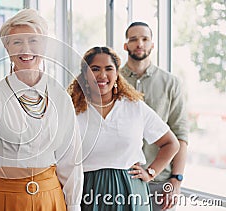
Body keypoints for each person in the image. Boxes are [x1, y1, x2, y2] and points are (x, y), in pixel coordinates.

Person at [0, 9, 83, 211]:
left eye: (33, 40)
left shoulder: (60, 96)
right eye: (17, 42)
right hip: (2, 197)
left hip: (49, 198)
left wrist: (74, 205)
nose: (26, 49)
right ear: (7, 48)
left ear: (45, 45)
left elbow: (71, 158)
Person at [68, 46, 180, 211]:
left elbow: (171, 143)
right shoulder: (72, 110)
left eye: (109, 69)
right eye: (95, 69)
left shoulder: (135, 107)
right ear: (85, 74)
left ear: (117, 74)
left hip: (130, 190)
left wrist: (150, 173)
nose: (102, 75)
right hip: (86, 191)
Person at [121, 22, 189, 211]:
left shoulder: (171, 83)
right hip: (123, 182)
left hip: (160, 183)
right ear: (125, 46)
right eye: (133, 39)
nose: (139, 44)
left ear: (152, 45)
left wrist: (176, 179)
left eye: (145, 39)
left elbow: (180, 135)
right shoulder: (112, 81)